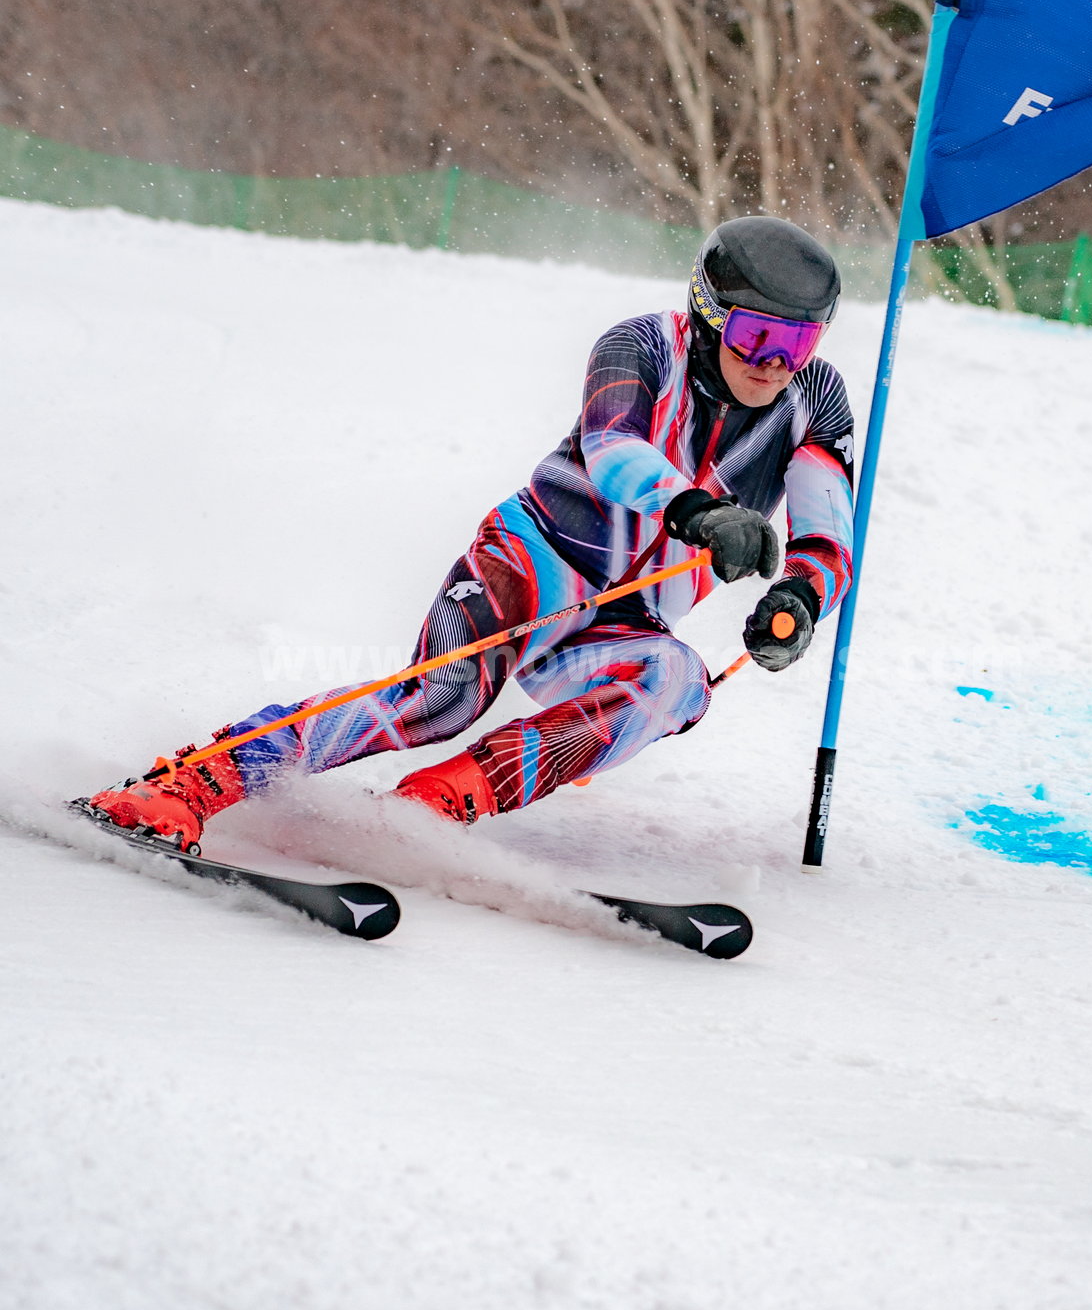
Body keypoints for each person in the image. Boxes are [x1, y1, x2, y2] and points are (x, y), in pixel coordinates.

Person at [82, 215, 857, 850]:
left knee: (677, 684)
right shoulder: (641, 345)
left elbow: (828, 534)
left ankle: (438, 804)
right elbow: (613, 450)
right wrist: (699, 513)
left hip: (628, 617)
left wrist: (796, 601)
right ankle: (194, 779)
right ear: (710, 311)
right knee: (440, 698)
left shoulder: (814, 400)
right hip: (533, 560)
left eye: (798, 344)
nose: (774, 364)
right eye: (758, 337)